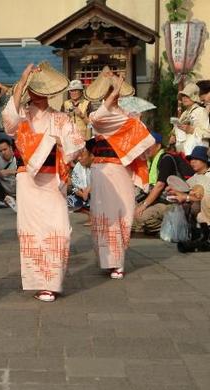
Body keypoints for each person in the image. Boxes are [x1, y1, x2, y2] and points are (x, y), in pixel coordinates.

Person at [3, 62, 85, 303]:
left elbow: (77, 144)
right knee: (31, 231)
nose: (36, 94)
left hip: (52, 181)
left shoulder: (60, 118)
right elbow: (8, 119)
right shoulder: (23, 117)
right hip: (27, 181)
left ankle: (53, 280)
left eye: (41, 90)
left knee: (60, 230)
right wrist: (23, 78)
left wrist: (61, 145)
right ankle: (40, 282)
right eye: (32, 89)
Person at [86, 68, 154, 279]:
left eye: (114, 92)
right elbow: (96, 119)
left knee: (124, 213)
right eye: (109, 93)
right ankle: (110, 261)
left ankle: (118, 259)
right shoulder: (99, 114)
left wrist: (137, 124)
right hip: (103, 170)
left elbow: (145, 145)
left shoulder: (127, 117)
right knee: (104, 214)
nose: (113, 96)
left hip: (122, 170)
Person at [133, 135, 194, 235]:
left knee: (143, 217)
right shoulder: (150, 161)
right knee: (129, 216)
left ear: (158, 146)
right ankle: (144, 227)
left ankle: (170, 226)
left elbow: (159, 185)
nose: (145, 149)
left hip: (169, 202)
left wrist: (144, 205)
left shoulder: (166, 159)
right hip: (156, 200)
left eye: (149, 145)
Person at [167, 146, 210, 252]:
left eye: (196, 159)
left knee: (197, 203)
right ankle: (191, 234)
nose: (192, 162)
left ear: (205, 161)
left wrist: (185, 197)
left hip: (206, 212)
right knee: (183, 205)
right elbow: (185, 190)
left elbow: (201, 195)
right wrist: (174, 192)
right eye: (191, 159)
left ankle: (204, 237)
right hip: (200, 213)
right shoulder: (194, 177)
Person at [171, 83, 210, 155]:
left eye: (187, 96)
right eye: (183, 96)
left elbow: (208, 133)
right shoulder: (184, 113)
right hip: (183, 154)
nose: (184, 98)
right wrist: (173, 135)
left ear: (194, 97)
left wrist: (192, 130)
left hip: (196, 154)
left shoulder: (201, 111)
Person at [68, 144, 93, 212]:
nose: (79, 159)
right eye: (78, 156)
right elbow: (73, 185)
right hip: (80, 198)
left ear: (91, 156)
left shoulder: (99, 169)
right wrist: (78, 191)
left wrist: (89, 192)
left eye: (82, 156)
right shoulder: (78, 166)